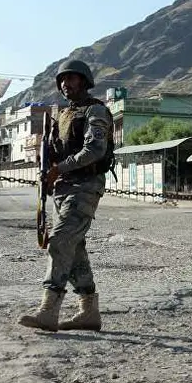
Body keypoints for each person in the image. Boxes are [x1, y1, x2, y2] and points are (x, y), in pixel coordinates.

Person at [19, 59, 115, 332]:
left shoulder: (96, 111)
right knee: (74, 250)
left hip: (85, 187)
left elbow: (94, 150)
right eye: (62, 80)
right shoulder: (60, 116)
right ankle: (88, 312)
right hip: (62, 189)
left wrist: (59, 169)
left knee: (60, 242)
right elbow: (51, 157)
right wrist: (48, 175)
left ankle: (48, 310)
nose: (65, 84)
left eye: (72, 78)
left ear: (84, 81)